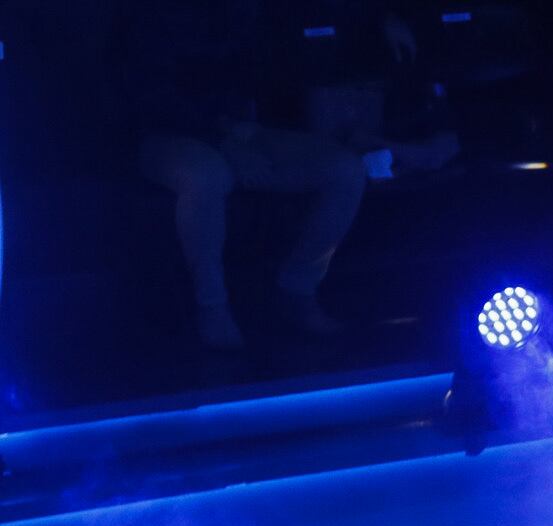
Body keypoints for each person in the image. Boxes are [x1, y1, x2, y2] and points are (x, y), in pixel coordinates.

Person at [121, 0, 368, 351]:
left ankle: (298, 289)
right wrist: (222, 135)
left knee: (343, 169)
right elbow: (148, 95)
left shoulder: (249, 12)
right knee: (207, 176)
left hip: (242, 130)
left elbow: (271, 65)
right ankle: (212, 306)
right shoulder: (154, 14)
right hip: (162, 133)